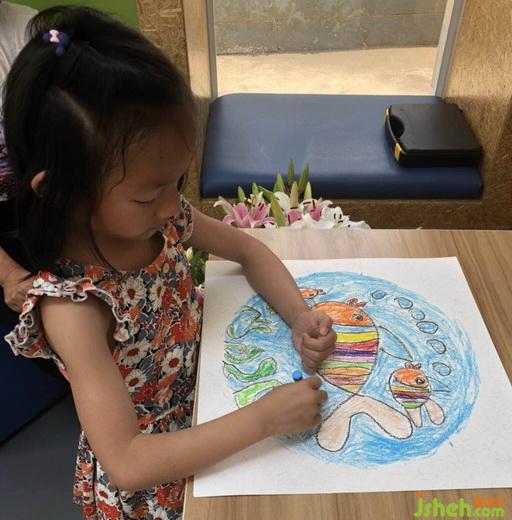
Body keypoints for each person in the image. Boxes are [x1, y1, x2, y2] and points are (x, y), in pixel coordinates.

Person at [3, 6, 336, 519]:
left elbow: (248, 250)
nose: (169, 206)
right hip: (161, 477)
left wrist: (298, 315)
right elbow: (127, 462)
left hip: (213, 397)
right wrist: (264, 420)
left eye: (175, 183)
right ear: (62, 193)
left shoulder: (161, 219)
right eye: (146, 195)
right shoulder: (74, 307)